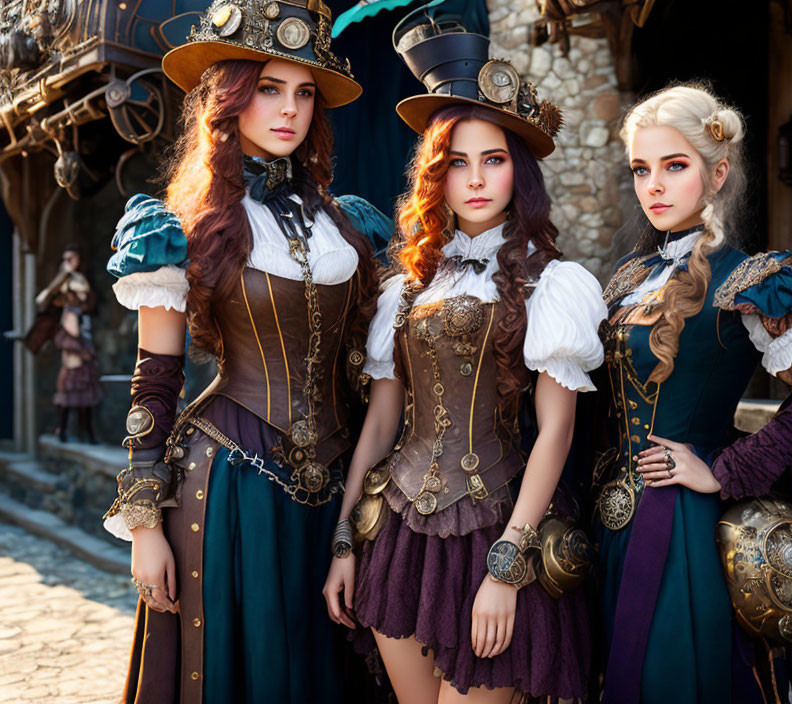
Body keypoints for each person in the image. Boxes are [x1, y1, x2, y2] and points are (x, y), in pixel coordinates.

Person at [101, 1, 384, 701]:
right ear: (230, 98)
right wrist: (143, 525)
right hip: (231, 485)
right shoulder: (179, 228)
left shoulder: (349, 226)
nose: (288, 109)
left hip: (341, 488)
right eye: (268, 88)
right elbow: (155, 380)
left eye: (304, 92)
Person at [323, 14, 606, 704]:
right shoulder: (408, 285)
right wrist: (343, 543)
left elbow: (557, 432)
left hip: (501, 526)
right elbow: (383, 422)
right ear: (435, 175)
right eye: (457, 162)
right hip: (398, 540)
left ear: (520, 171)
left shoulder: (553, 282)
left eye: (494, 159)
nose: (476, 179)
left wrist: (507, 568)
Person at [591, 83, 792, 703]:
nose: (654, 187)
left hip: (680, 528)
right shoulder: (630, 278)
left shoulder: (752, 278)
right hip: (607, 516)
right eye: (642, 169)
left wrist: (728, 470)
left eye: (675, 166)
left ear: (718, 172)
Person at [35, 244, 103, 443]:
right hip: (73, 358)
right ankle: (62, 430)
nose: (69, 263)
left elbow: (89, 302)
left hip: (84, 354)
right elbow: (46, 303)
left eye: (72, 258)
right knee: (67, 397)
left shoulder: (82, 288)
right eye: (66, 259)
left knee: (85, 399)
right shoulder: (66, 307)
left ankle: (86, 433)